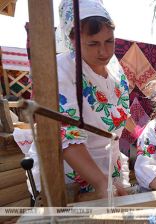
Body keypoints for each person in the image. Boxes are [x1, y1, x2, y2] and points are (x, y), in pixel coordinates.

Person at [20, 0, 137, 199]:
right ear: (73, 40)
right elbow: (64, 131)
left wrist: (140, 135)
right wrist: (100, 182)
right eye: (93, 44)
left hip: (109, 166)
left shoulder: (115, 68)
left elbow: (120, 110)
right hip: (73, 173)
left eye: (109, 41)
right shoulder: (59, 70)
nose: (104, 52)